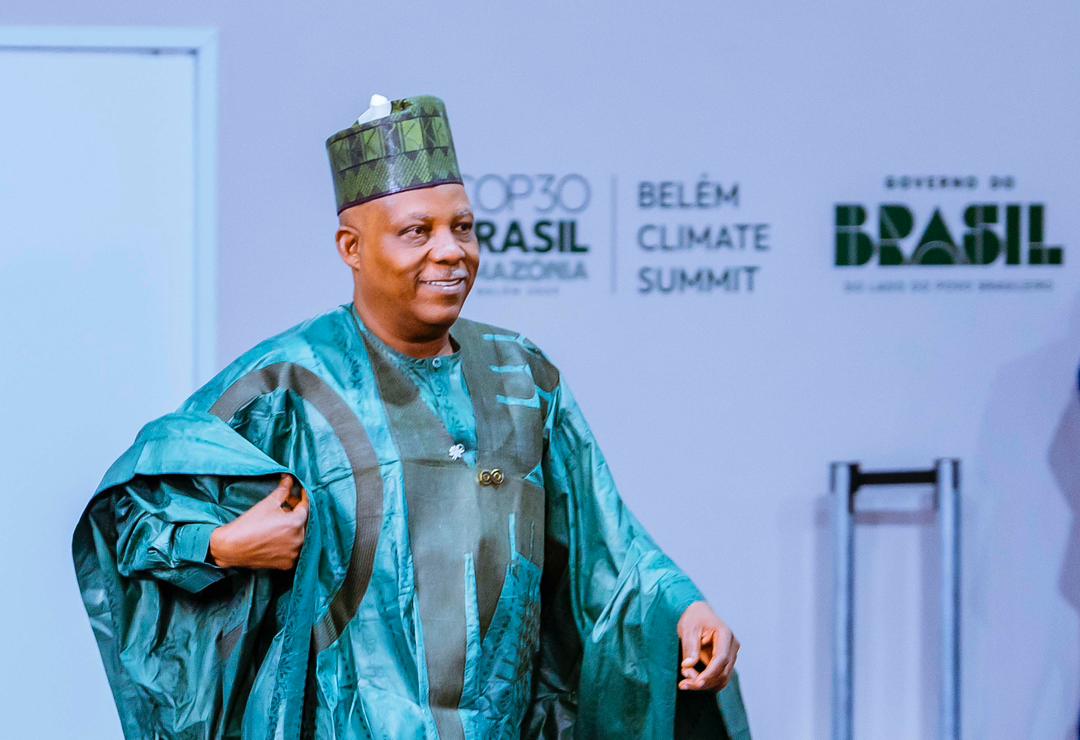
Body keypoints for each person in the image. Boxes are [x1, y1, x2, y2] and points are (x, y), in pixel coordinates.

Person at [73, 94, 750, 739]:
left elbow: (604, 541)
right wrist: (223, 545)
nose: (450, 250)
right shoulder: (286, 386)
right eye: (416, 232)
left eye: (463, 228)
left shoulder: (522, 378)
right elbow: (133, 517)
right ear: (352, 247)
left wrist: (681, 608)